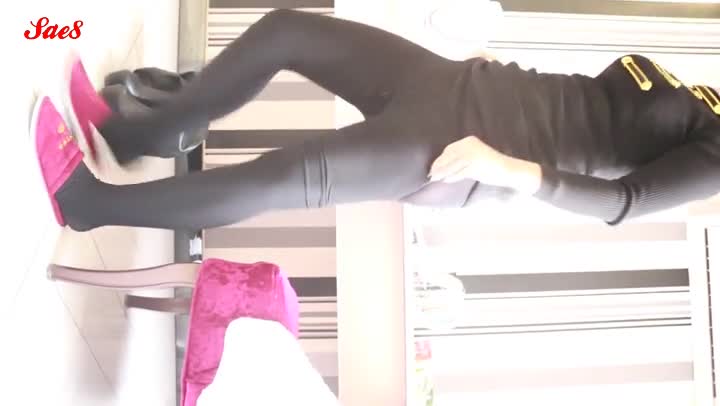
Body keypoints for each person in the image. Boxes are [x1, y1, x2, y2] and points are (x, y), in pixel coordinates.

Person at [34, 9, 720, 232]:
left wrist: (505, 168)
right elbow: (593, 109)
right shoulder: (706, 95)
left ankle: (90, 206)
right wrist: (504, 69)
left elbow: (625, 203)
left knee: (283, 175)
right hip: (456, 83)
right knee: (288, 31)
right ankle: (146, 132)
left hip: (464, 148)